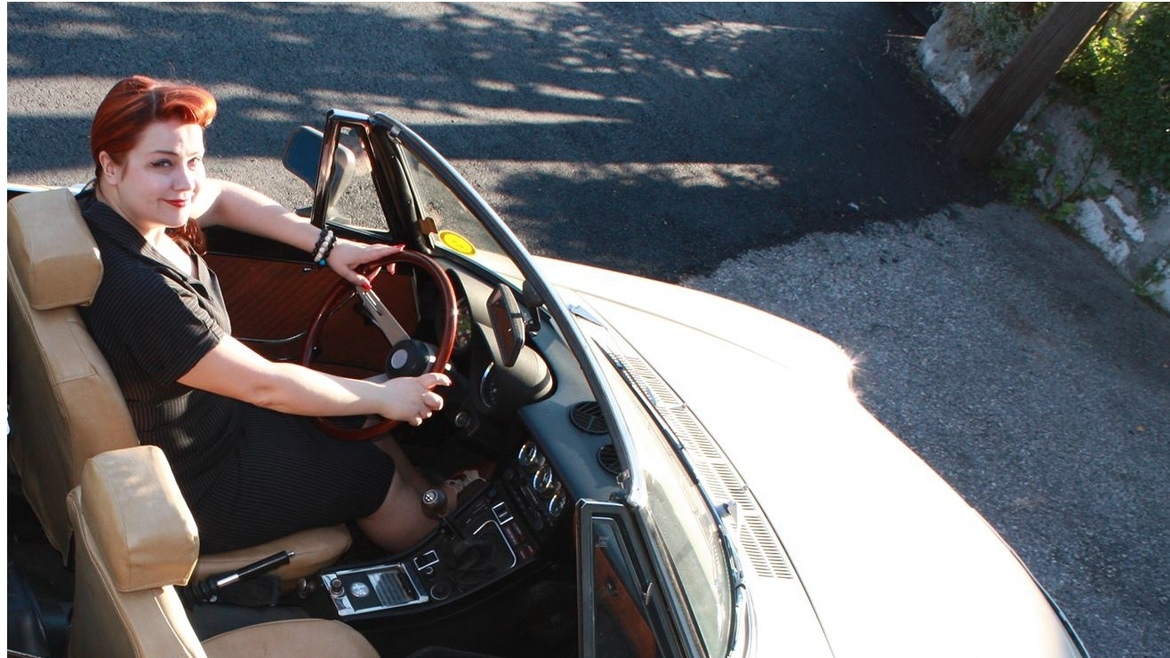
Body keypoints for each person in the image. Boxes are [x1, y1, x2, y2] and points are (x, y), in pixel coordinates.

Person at [78, 75, 453, 555]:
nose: (186, 182)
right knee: (371, 478)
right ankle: (444, 552)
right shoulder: (143, 290)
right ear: (110, 165)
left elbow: (222, 198)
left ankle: (429, 497)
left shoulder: (121, 213)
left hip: (216, 423)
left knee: (361, 421)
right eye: (162, 163)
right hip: (198, 481)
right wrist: (385, 395)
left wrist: (327, 246)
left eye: (194, 160)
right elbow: (265, 386)